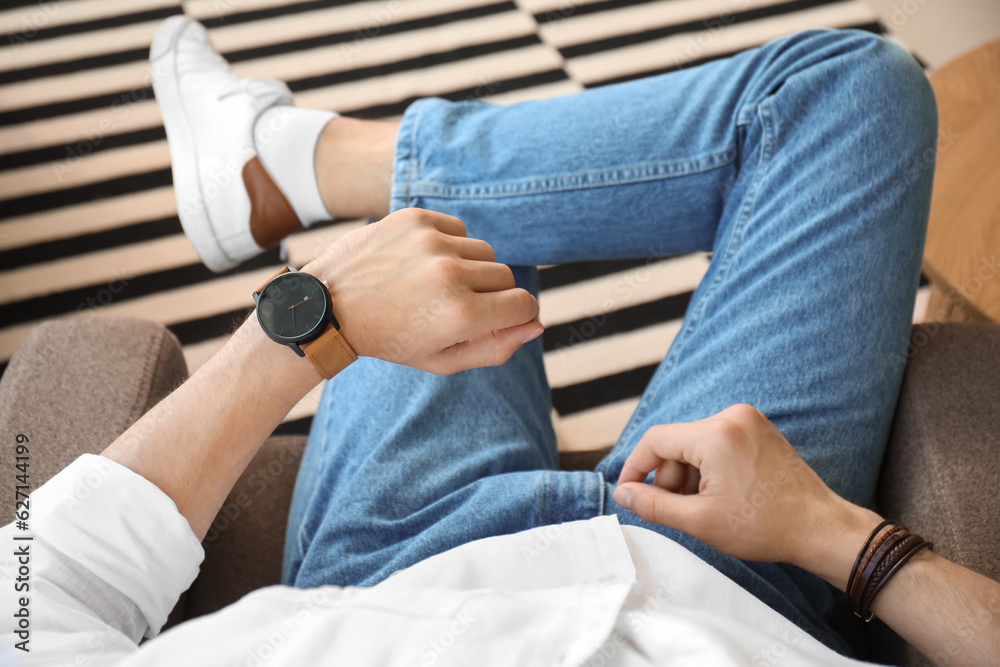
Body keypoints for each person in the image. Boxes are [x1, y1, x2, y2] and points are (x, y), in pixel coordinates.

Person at [2, 15, 998, 667]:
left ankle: (298, 174)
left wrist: (304, 319)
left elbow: (31, 590)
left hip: (392, 570)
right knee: (844, 93)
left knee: (436, 238)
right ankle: (284, 171)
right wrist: (842, 541)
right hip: (748, 584)